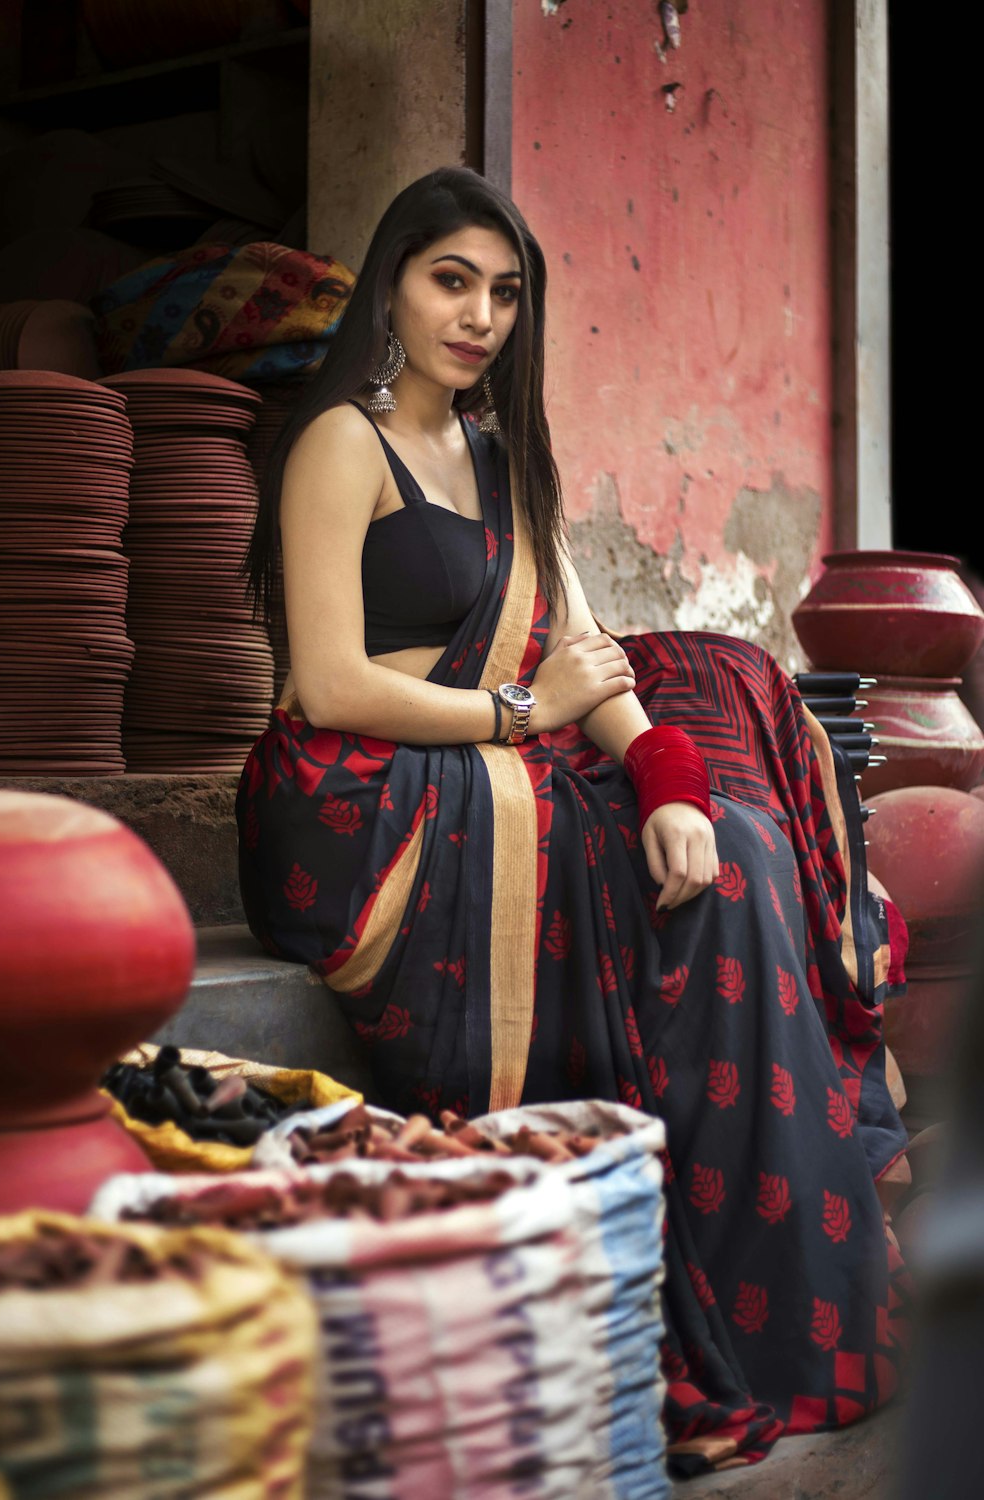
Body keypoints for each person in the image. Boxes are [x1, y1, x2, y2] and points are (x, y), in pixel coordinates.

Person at [238, 166, 910, 1472]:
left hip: (492, 753)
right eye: (451, 280)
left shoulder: (500, 456)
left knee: (742, 851)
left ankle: (766, 1302)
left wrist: (669, 788)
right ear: (391, 284)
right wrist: (512, 712)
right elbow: (325, 684)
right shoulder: (340, 443)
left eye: (505, 292)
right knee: (623, 876)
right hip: (356, 802)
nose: (479, 314)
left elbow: (588, 654)